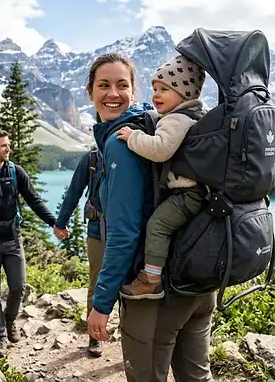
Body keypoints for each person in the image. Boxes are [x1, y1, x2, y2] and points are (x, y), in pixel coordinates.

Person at [84, 52, 218, 381]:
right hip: (198, 279)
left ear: (134, 91)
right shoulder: (158, 124)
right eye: (104, 85)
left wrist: (102, 303)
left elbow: (125, 233)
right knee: (197, 376)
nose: (112, 93)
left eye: (121, 85)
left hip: (157, 294)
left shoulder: (122, 142)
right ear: (90, 91)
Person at [0, 129, 66, 358]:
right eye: (3, 146)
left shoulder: (16, 172)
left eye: (8, 145)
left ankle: (9, 321)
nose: (8, 149)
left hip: (12, 241)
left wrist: (54, 223)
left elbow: (34, 200)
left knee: (18, 287)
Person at [115, 55, 207, 300]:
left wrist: (132, 137)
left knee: (157, 225)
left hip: (187, 193)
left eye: (164, 89)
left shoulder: (176, 119)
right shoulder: (196, 115)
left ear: (185, 94)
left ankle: (151, 280)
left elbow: (160, 149)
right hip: (195, 192)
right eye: (155, 88)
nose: (156, 94)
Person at [53, 140, 105, 357]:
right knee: (97, 281)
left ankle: (131, 337)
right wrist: (61, 221)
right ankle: (95, 337)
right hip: (98, 230)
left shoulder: (138, 144)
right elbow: (74, 190)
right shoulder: (92, 157)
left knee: (131, 285)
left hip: (130, 230)